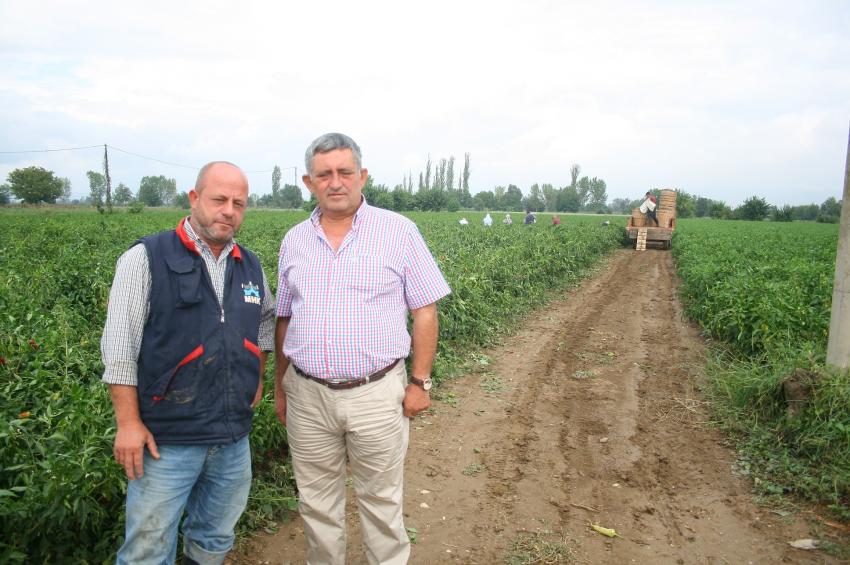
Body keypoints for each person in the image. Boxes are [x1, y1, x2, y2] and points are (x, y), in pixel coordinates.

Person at [274, 133, 451, 564]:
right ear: (308, 182)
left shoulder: (399, 231)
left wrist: (419, 382)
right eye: (324, 174)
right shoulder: (294, 240)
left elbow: (425, 311)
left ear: (362, 175)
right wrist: (281, 387)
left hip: (376, 393)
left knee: (382, 503)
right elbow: (283, 318)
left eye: (344, 172)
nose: (336, 182)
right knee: (317, 506)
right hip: (308, 395)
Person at [101, 162, 275, 565]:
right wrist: (128, 423)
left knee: (214, 536)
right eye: (219, 200)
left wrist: (258, 376)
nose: (228, 210)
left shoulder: (249, 264)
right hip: (166, 441)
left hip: (232, 439)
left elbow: (265, 319)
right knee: (147, 546)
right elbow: (119, 346)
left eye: (239, 203)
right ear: (194, 198)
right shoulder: (146, 257)